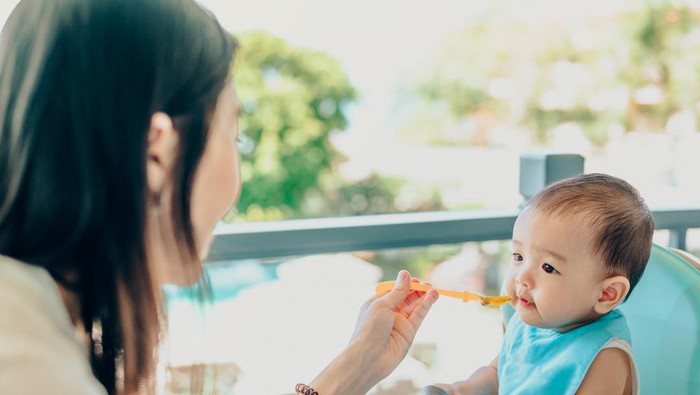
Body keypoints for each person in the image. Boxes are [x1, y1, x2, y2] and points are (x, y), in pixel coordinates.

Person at [0, 0, 438, 394]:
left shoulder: (34, 316)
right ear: (158, 151)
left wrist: (353, 370)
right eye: (235, 135)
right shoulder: (29, 365)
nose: (236, 181)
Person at [426, 173, 654, 395]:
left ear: (606, 294)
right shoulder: (533, 319)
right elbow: (498, 374)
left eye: (548, 267)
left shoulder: (605, 358)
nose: (521, 277)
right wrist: (462, 389)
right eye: (518, 257)